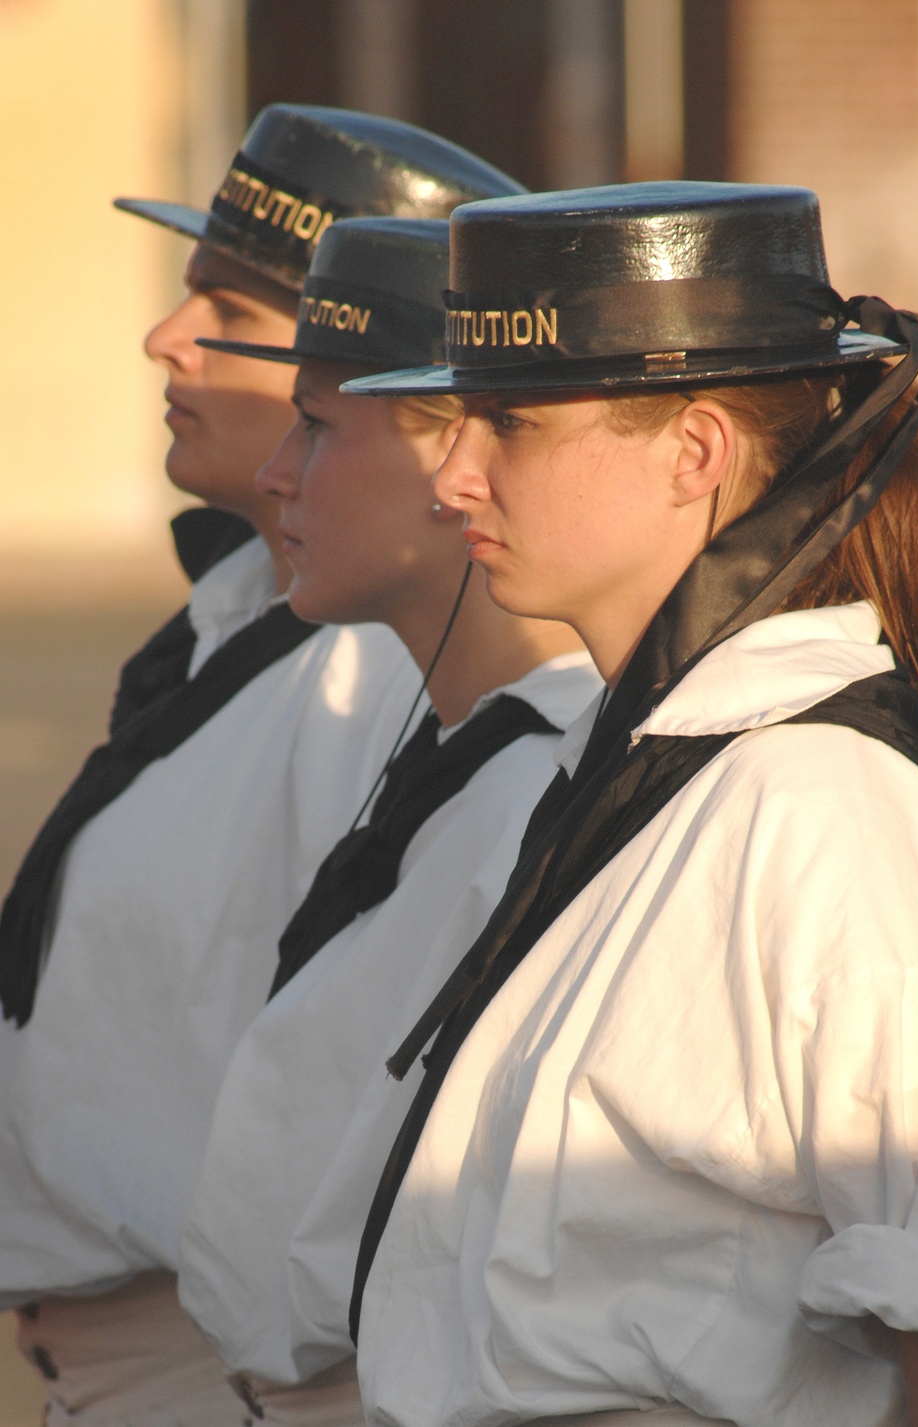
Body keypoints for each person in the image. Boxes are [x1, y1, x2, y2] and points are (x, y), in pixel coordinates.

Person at [342, 184, 918, 1427]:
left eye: (511, 427)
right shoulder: (652, 770)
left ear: (694, 449)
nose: (454, 478)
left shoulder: (823, 801)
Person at [0, 108, 525, 1426]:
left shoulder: (382, 662)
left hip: (235, 1376)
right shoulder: (246, 605)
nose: (163, 339)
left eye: (225, 305)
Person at [174, 214, 600, 1427]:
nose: (276, 475)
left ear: (449, 457)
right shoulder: (461, 746)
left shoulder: (544, 783)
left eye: (318, 423)